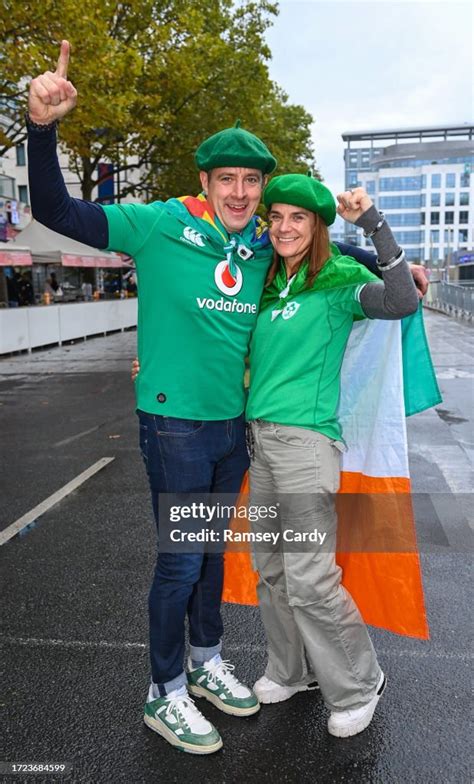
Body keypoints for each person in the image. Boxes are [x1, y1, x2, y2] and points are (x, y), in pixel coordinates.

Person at [26, 40, 427, 755]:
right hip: (174, 422)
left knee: (213, 554)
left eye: (253, 183)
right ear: (204, 180)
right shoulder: (157, 223)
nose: (243, 195)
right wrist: (43, 127)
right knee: (182, 558)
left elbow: (324, 256)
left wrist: (399, 262)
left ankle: (208, 662)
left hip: (235, 429)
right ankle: (165, 692)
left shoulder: (255, 249)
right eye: (228, 181)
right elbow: (59, 210)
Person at [246, 174, 418, 737]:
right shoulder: (269, 284)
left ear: (318, 226)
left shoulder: (340, 280)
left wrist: (372, 223)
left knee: (310, 578)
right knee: (271, 571)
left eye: (298, 218)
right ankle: (291, 671)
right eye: (277, 217)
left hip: (306, 445)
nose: (284, 227)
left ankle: (358, 685)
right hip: (261, 442)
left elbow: (401, 300)